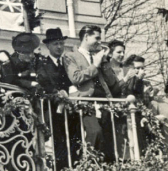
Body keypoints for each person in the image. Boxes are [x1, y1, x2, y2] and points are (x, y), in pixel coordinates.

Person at [63, 25, 123, 161]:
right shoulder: (70, 56)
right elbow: (76, 78)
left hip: (104, 102)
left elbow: (112, 82)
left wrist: (105, 61)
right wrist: (94, 66)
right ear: (86, 37)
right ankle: (89, 164)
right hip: (86, 103)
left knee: (108, 139)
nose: (99, 42)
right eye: (96, 38)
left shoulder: (99, 57)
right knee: (95, 132)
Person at [35, 28, 78, 171]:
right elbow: (44, 83)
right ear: (48, 46)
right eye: (55, 44)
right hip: (52, 110)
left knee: (73, 140)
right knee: (57, 142)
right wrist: (57, 93)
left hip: (70, 110)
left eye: (61, 43)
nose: (59, 47)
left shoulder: (67, 63)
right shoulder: (42, 64)